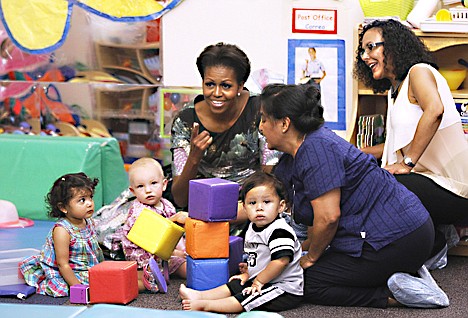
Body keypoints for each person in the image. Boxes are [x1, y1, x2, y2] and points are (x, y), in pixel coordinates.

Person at [259, 83, 449, 308]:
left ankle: (392, 293)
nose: (260, 127)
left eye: (263, 119)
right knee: (297, 269)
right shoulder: (300, 151)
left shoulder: (316, 150)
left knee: (305, 282)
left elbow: (328, 217)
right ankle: (403, 275)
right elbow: (284, 204)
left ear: (284, 123)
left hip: (399, 239)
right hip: (400, 233)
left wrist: (310, 258)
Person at [353, 19, 468, 268]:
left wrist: (407, 163)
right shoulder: (395, 90)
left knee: (380, 183)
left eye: (371, 47)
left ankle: (433, 246)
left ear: (393, 46)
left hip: (457, 190)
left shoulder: (419, 71)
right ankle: (432, 241)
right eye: (362, 50)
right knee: (368, 176)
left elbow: (434, 110)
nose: (365, 56)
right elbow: (399, 145)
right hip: (430, 183)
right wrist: (357, 153)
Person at [170, 42, 280, 229]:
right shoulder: (186, 120)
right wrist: (194, 158)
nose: (217, 93)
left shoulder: (260, 111)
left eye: (226, 86)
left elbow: (274, 184)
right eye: (210, 84)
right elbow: (180, 198)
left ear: (240, 86)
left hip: (254, 213)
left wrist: (247, 208)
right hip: (202, 215)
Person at [179, 171, 303, 313]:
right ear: (244, 207)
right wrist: (250, 271)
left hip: (284, 288)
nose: (259, 207)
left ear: (281, 206)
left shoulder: (279, 231)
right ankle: (200, 295)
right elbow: (260, 256)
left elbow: (281, 261)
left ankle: (206, 306)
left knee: (250, 296)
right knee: (237, 283)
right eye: (252, 203)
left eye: (267, 202)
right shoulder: (252, 227)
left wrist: (259, 281)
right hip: (264, 278)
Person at [19, 172, 104, 297]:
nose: (90, 203)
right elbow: (62, 264)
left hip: (89, 267)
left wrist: (104, 269)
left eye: (90, 197)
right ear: (63, 207)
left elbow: (95, 250)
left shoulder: (88, 222)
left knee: (119, 278)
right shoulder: (62, 230)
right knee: (107, 286)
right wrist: (79, 288)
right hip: (71, 273)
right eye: (82, 200)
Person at [119, 157, 187, 292]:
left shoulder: (167, 205)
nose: (148, 190)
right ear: (132, 191)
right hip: (143, 257)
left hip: (165, 255)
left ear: (164, 184)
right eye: (140, 186)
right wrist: (174, 252)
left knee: (189, 269)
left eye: (153, 183)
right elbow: (152, 241)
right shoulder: (139, 212)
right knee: (141, 281)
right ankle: (145, 280)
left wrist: (182, 251)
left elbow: (175, 233)